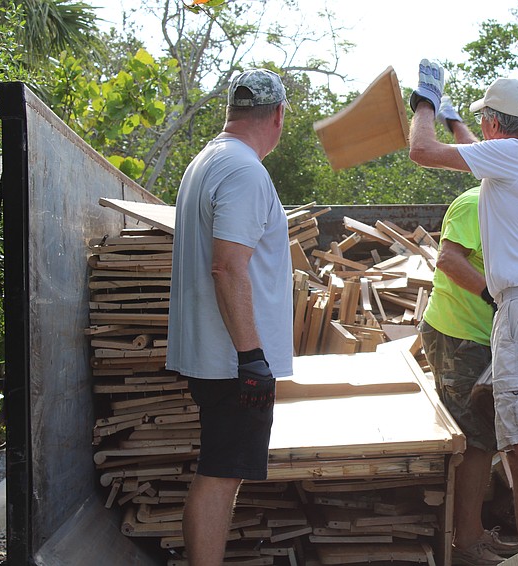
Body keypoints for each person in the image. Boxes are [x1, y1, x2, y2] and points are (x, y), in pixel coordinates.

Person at [408, 61, 518, 565]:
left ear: (494, 125)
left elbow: (421, 152)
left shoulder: (514, 157)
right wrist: (452, 120)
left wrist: (425, 101)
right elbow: (474, 145)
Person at [166, 68, 294, 566]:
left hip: (218, 355)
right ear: (278, 116)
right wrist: (252, 357)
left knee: (219, 470)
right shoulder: (243, 171)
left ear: (231, 111)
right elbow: (227, 265)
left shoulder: (209, 160)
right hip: (232, 359)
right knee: (220, 474)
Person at [418, 182, 518, 565]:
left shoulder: (509, 206)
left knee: (482, 436)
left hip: (481, 337)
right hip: (458, 333)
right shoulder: (474, 203)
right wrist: (495, 298)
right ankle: (466, 540)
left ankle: (471, 532)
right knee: (475, 437)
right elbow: (447, 260)